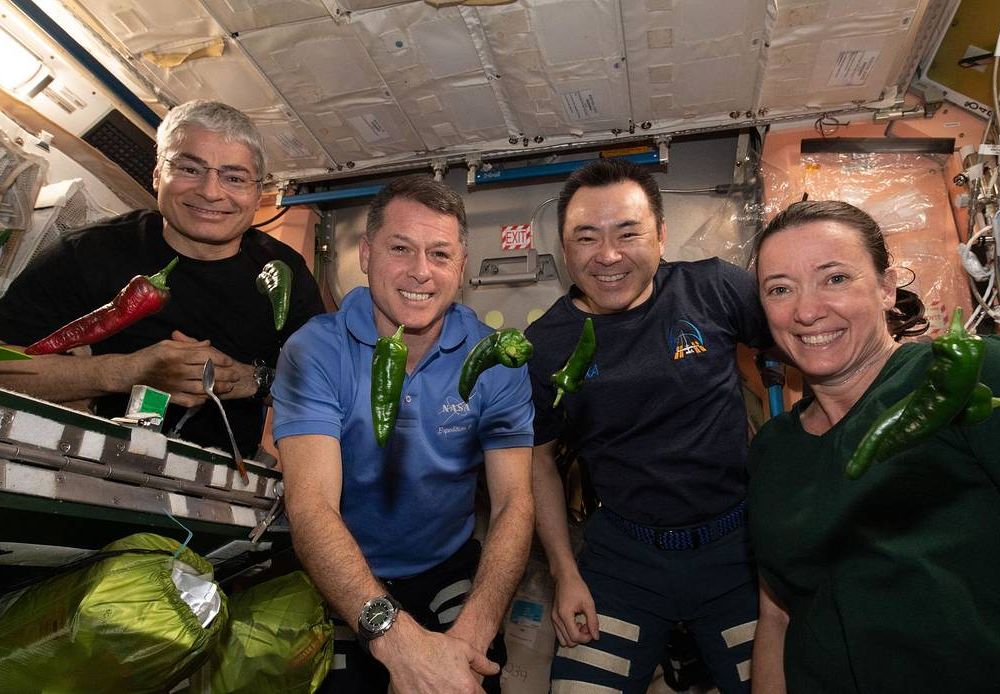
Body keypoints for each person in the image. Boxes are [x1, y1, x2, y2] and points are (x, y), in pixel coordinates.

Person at [270, 174, 535, 694]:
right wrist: (399, 643)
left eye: (440, 254)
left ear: (461, 268)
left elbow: (513, 502)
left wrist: (473, 634)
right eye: (400, 249)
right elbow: (311, 507)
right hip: (343, 562)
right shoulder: (314, 351)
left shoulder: (498, 359)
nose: (420, 272)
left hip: (446, 563)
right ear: (366, 254)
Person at [526, 158, 771, 693]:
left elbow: (793, 360)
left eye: (628, 233)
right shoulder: (545, 343)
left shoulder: (717, 289)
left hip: (739, 548)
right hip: (623, 556)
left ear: (661, 236)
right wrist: (565, 574)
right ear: (565, 250)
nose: (608, 255)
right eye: (586, 238)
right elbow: (537, 460)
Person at [748, 200, 1000, 692]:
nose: (807, 310)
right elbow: (776, 614)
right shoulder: (773, 449)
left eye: (835, 278)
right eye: (780, 289)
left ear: (886, 288)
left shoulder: (965, 377)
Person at [0, 100, 324, 456]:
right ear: (157, 174)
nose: (211, 191)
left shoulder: (284, 271)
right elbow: (6, 366)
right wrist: (124, 371)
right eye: (189, 168)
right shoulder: (86, 253)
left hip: (221, 487)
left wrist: (248, 380)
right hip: (80, 466)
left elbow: (326, 387)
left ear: (257, 190)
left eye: (234, 177)